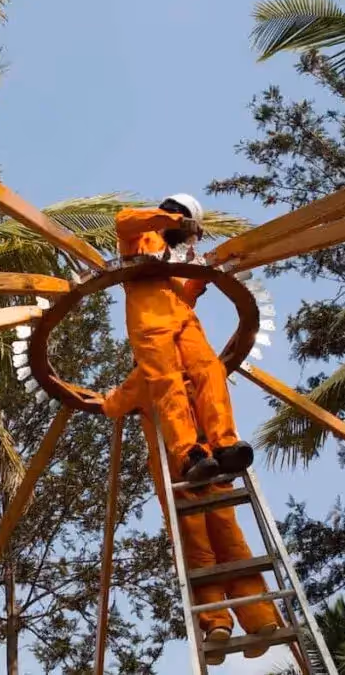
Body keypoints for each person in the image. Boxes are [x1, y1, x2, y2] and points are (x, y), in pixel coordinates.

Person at [103, 368, 281, 665]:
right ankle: (260, 617)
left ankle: (217, 623)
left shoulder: (145, 377)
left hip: (181, 472)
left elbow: (113, 405)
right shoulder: (197, 372)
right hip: (216, 465)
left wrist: (110, 395)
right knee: (232, 542)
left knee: (197, 551)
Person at [113, 194, 253, 482]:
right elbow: (123, 221)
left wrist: (204, 275)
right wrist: (175, 220)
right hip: (150, 322)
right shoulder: (141, 236)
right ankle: (189, 454)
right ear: (179, 215)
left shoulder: (171, 255)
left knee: (210, 371)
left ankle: (225, 444)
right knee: (169, 384)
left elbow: (182, 298)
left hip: (183, 321)